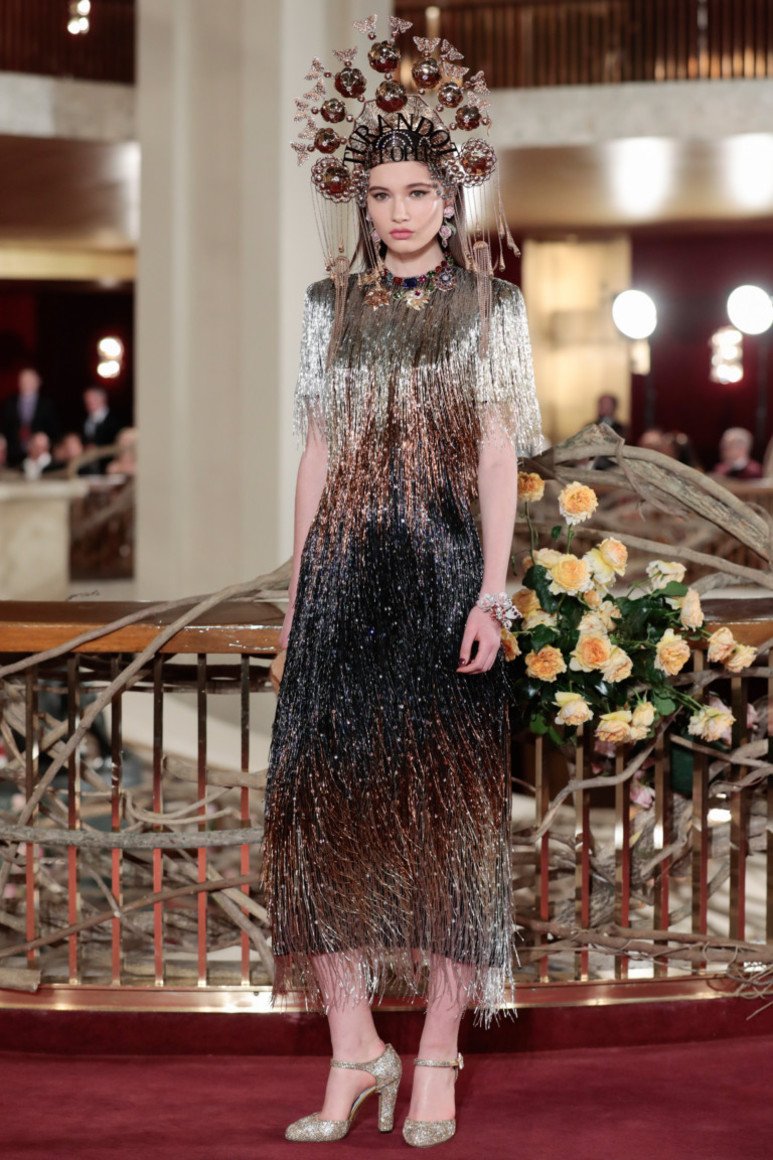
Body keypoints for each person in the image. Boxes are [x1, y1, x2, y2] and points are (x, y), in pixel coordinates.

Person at [264, 16, 543, 1149]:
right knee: (319, 819)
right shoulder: (326, 306)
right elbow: (317, 452)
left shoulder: (490, 306)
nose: (397, 211)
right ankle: (351, 1050)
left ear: (449, 194)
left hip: (440, 586)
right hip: (338, 586)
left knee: (446, 827)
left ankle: (435, 1053)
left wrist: (491, 593)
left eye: (417, 191)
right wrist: (296, 598)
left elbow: (496, 454)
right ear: (359, 201)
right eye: (379, 194)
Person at [1, 366, 58, 466]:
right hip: (13, 454)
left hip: (40, 457)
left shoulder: (47, 404)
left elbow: (54, 430)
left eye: (30, 380)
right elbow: (4, 427)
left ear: (38, 382)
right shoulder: (10, 403)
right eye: (23, 380)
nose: (26, 383)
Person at [82, 386, 121, 472]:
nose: (89, 402)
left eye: (93, 399)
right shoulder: (85, 421)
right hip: (89, 467)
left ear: (102, 399)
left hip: (108, 466)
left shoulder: (115, 420)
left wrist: (98, 449)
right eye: (87, 400)